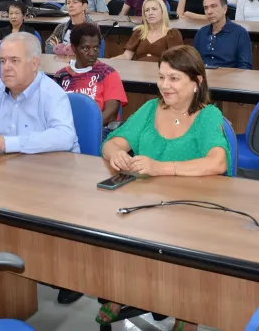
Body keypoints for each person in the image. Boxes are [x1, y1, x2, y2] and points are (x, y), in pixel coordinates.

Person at [97, 45, 229, 331]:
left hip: (190, 210)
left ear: (197, 82)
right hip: (148, 204)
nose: (164, 86)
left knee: (178, 245)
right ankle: (124, 290)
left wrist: (161, 167)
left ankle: (187, 311)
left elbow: (217, 162)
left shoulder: (208, 116)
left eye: (174, 78)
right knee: (116, 227)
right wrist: (116, 154)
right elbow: (112, 141)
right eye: (161, 77)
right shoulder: (150, 108)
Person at [53, 23, 127, 126]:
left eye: (96, 48)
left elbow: (110, 115)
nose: (92, 53)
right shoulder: (60, 76)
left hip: (97, 131)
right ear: (74, 48)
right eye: (86, 48)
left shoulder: (108, 74)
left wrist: (86, 128)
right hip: (66, 131)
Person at [194, 0, 253, 69]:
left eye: (213, 6)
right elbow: (193, 63)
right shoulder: (201, 33)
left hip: (229, 78)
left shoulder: (240, 33)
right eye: (206, 8)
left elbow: (245, 67)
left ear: (225, 9)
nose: (209, 12)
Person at [115, 0, 182, 62]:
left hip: (161, 71)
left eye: (154, 9)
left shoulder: (172, 34)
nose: (150, 13)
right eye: (147, 10)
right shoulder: (139, 32)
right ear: (145, 15)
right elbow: (126, 56)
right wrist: (108, 62)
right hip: (139, 71)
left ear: (162, 12)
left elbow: (176, 61)